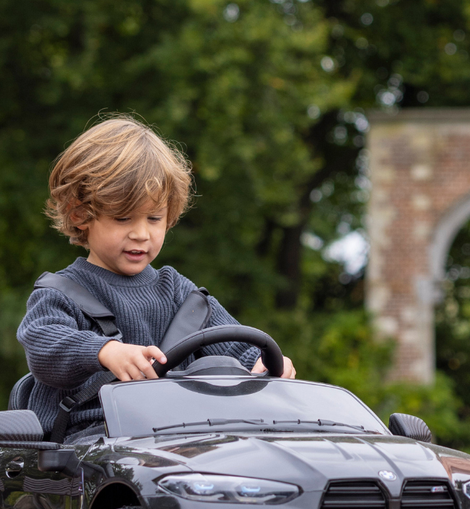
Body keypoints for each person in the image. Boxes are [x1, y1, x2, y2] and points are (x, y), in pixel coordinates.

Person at [17, 115, 294, 439]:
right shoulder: (60, 293)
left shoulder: (180, 292)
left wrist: (265, 362)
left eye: (154, 217)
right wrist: (104, 351)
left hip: (179, 435)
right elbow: (43, 345)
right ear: (80, 214)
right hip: (90, 439)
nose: (141, 234)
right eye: (123, 218)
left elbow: (234, 343)